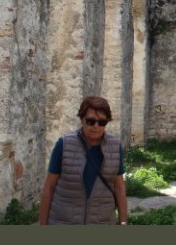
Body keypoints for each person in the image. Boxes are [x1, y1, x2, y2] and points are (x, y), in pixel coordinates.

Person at [39, 95, 128, 225]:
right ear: (82, 119)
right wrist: (42, 224)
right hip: (64, 221)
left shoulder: (114, 147)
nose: (96, 126)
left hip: (101, 221)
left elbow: (119, 188)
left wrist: (123, 222)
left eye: (102, 122)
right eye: (91, 121)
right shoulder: (64, 144)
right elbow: (49, 187)